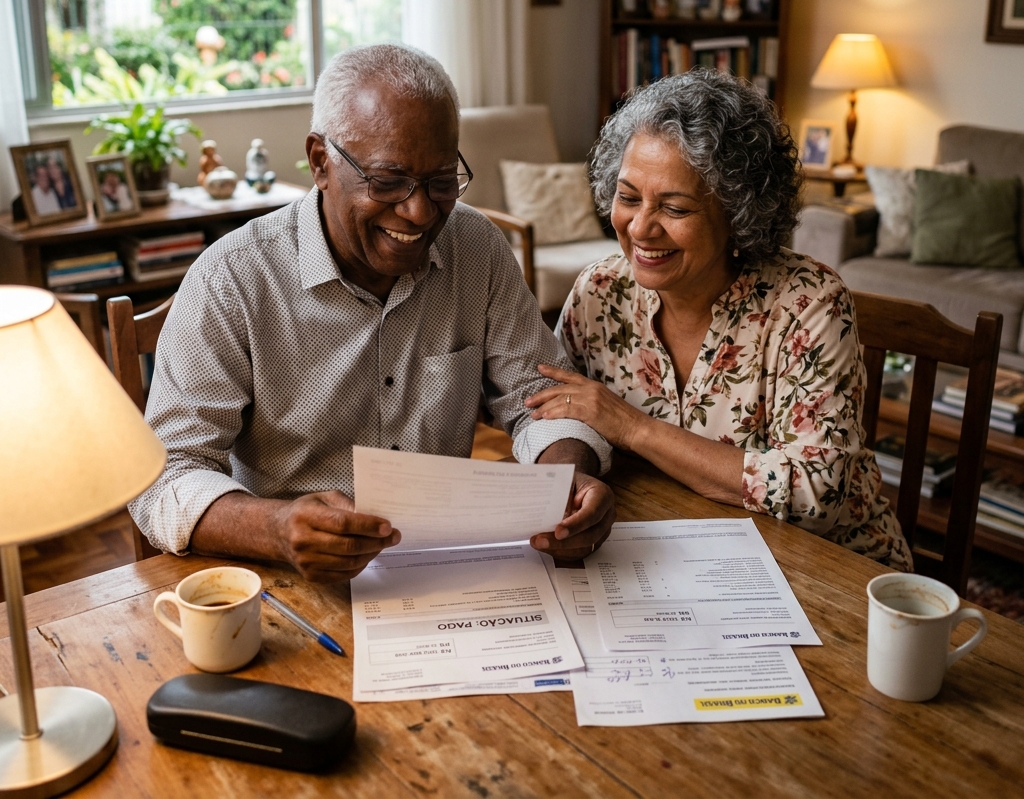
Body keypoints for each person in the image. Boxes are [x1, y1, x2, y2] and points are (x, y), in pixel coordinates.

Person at [130, 43, 615, 581]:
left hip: (445, 568)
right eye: (387, 182)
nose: (419, 211)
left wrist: (563, 484)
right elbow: (164, 476)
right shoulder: (233, 281)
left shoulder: (476, 247)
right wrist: (277, 528)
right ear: (320, 162)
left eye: (439, 181)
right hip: (289, 583)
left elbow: (541, 402)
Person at [525, 69, 911, 570]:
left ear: (738, 212)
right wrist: (577, 478)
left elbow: (815, 494)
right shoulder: (600, 291)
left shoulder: (809, 303)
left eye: (674, 207)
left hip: (830, 571)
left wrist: (632, 428)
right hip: (668, 552)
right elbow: (560, 422)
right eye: (628, 197)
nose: (641, 227)